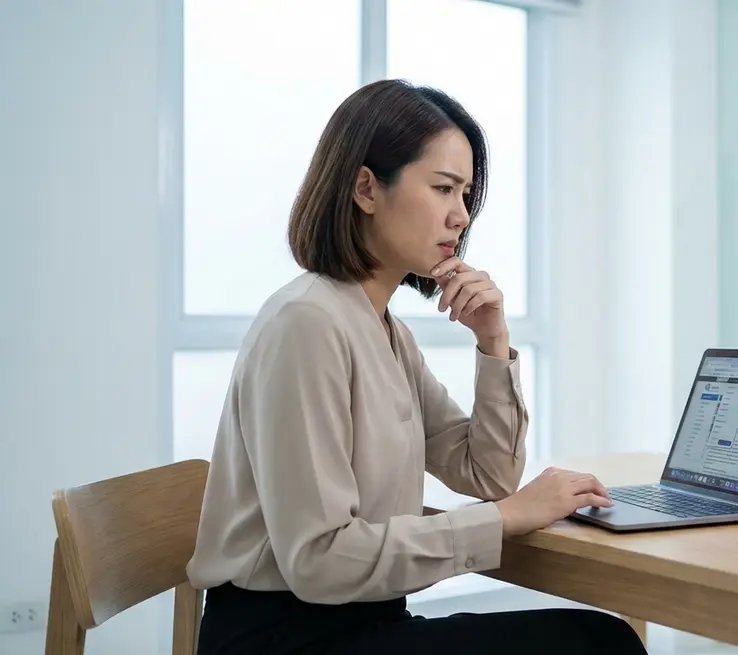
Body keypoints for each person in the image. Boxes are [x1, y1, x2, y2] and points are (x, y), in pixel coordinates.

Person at [186, 79, 647, 655]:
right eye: (444, 189)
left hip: (364, 624)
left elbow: (487, 474)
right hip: (285, 639)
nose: (460, 217)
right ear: (365, 188)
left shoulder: (386, 332)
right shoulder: (306, 323)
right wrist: (504, 518)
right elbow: (319, 561)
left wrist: (494, 342)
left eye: (466, 196)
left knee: (597, 638)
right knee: (597, 644)